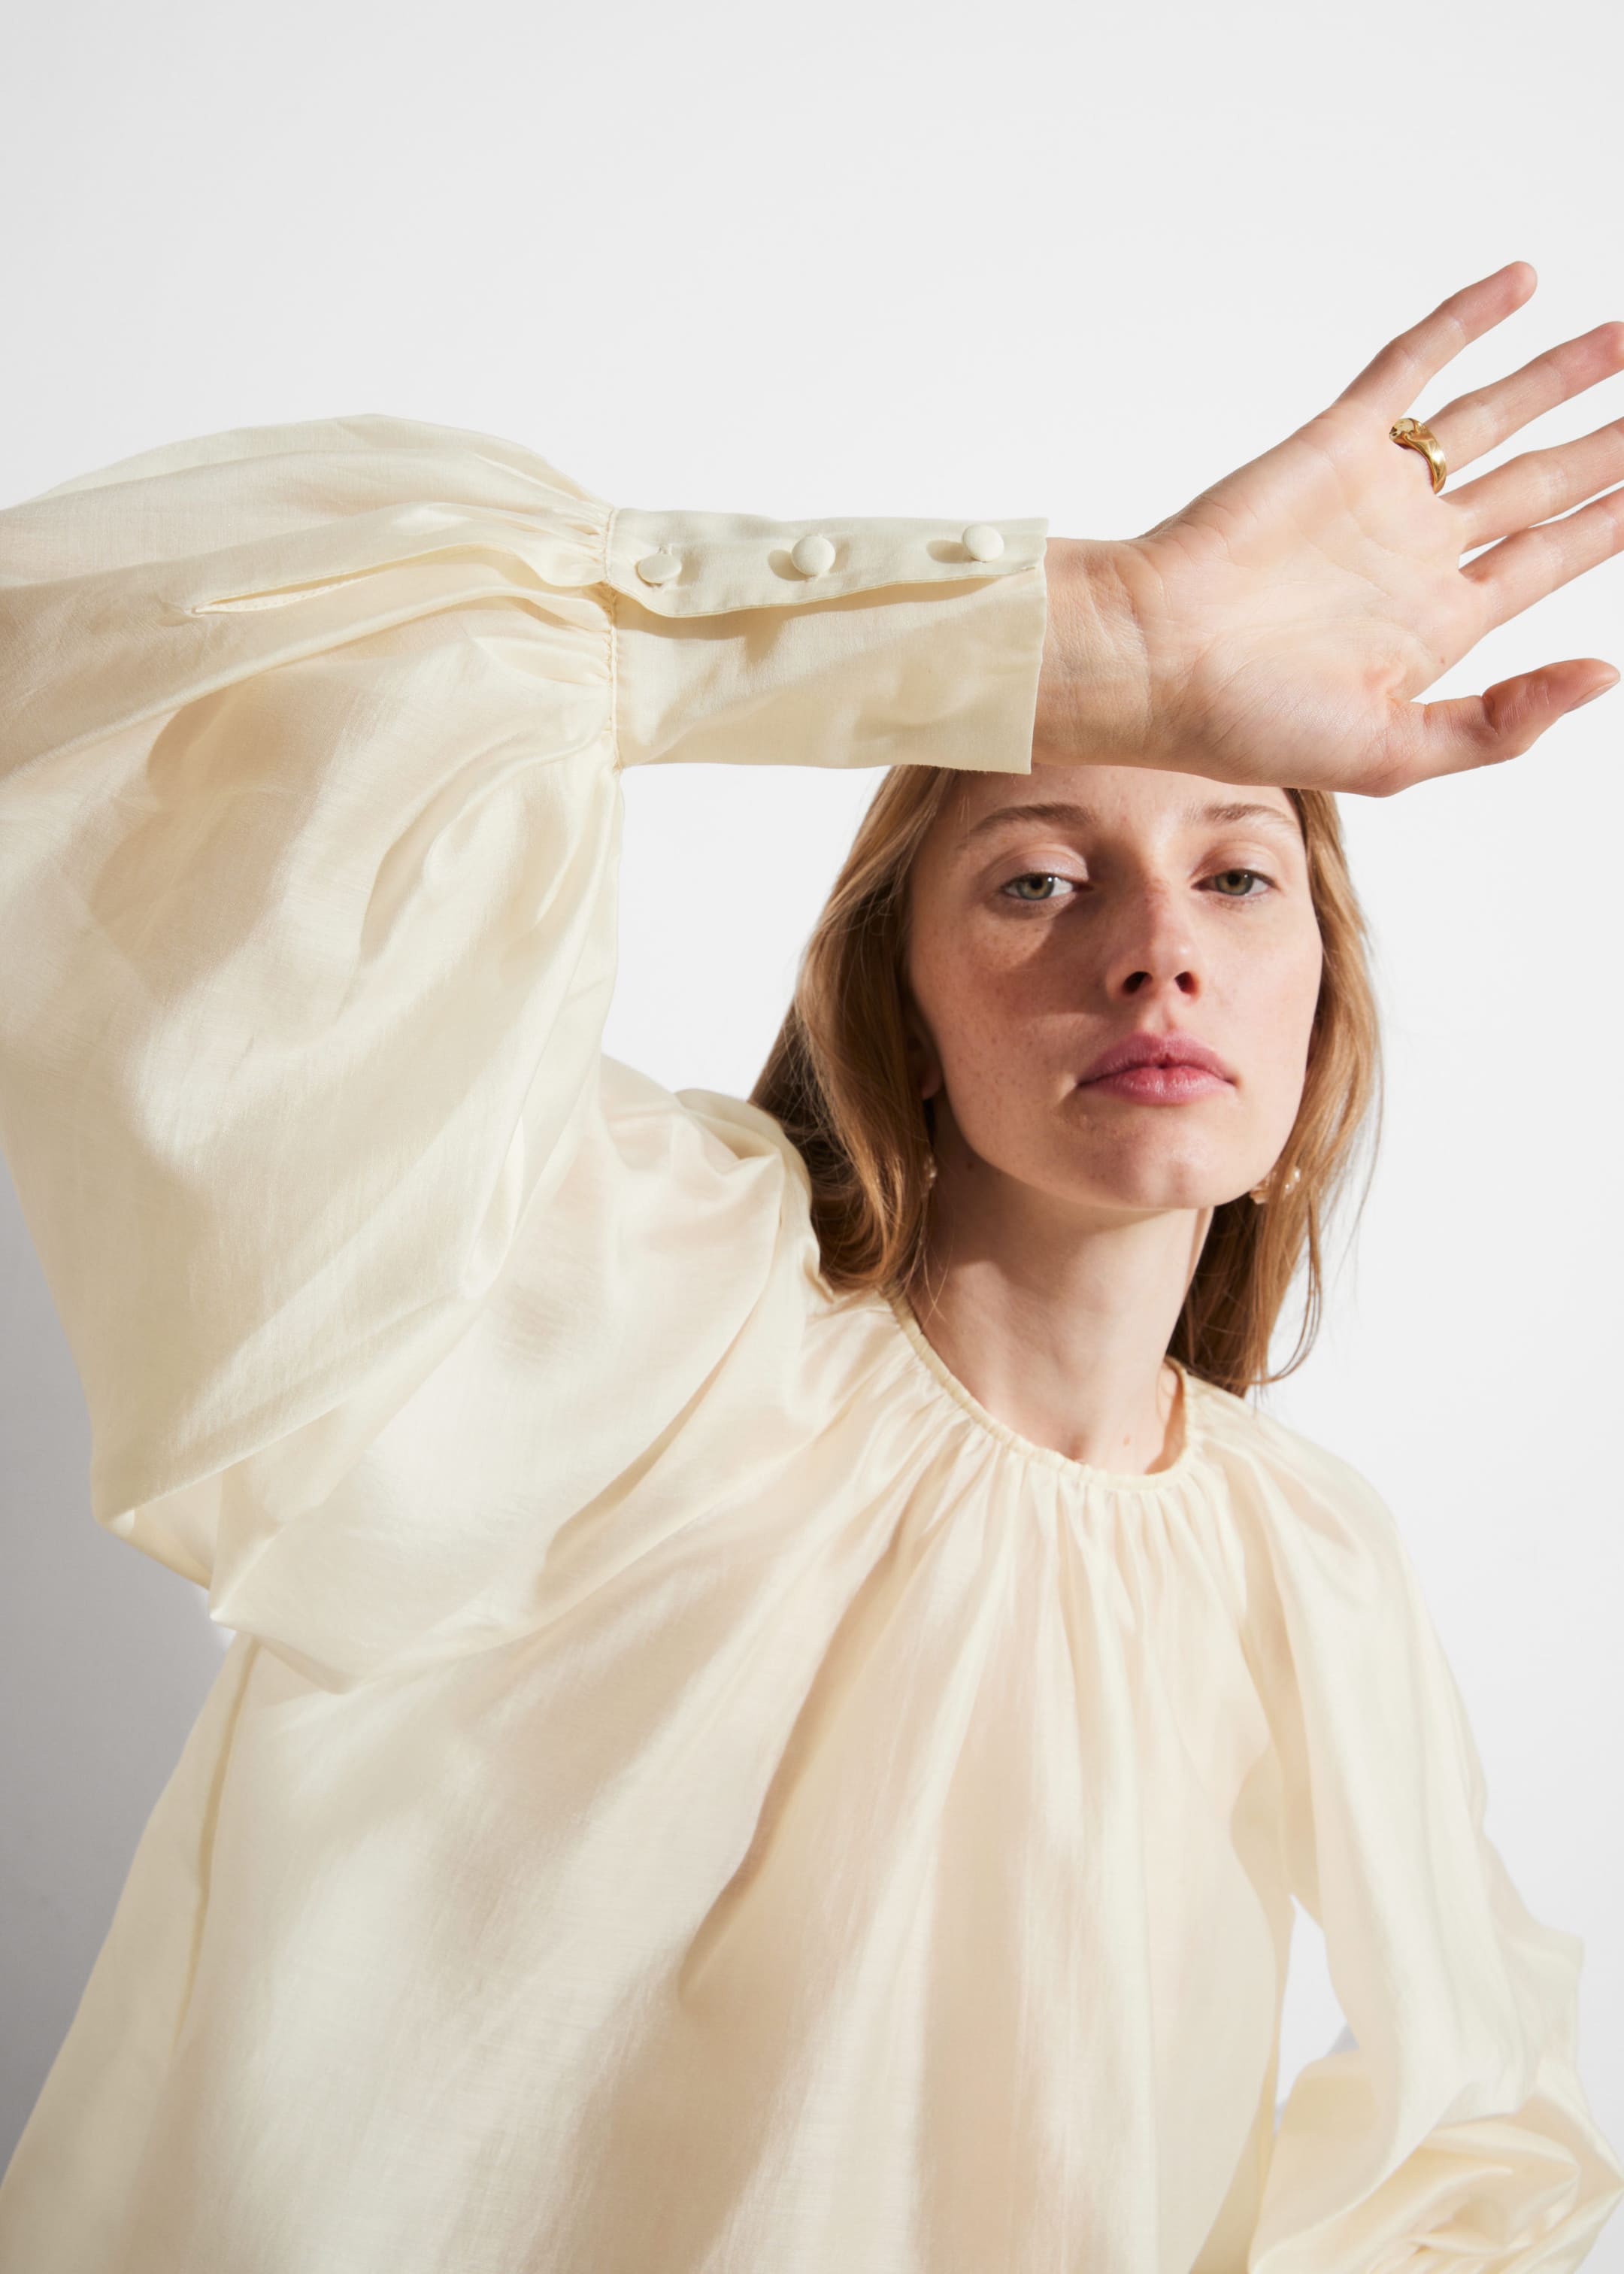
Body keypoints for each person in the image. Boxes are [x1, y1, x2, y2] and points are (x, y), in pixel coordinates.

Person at [0, 260, 1619, 2272]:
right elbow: (100, 685)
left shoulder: (1313, 1563)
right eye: (1037, 874)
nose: (1155, 949)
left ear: (1320, 1010)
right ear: (897, 994)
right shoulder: (642, 1297)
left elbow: (1481, 2146)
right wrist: (1078, 631)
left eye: (1236, 871)